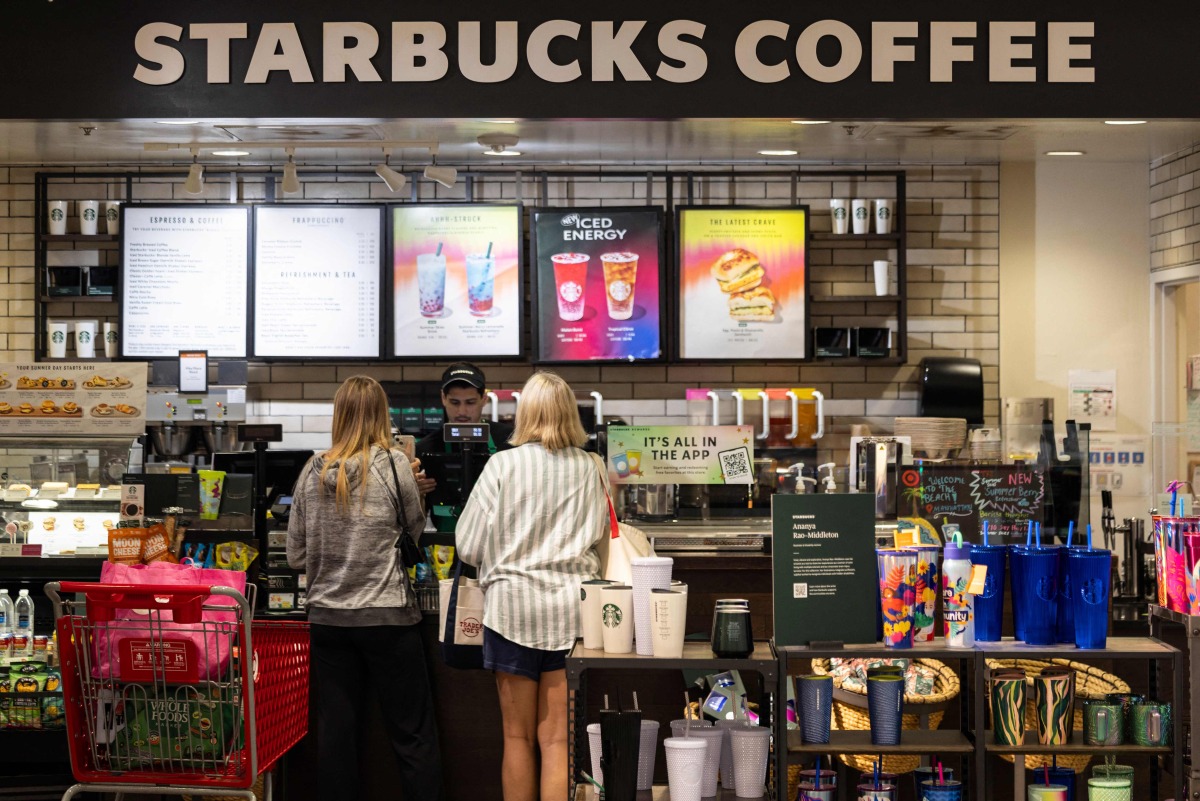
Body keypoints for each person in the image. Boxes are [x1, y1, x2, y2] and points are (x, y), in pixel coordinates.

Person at [287, 375, 441, 801]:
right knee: (412, 735)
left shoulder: (311, 472)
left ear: (338, 415)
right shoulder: (394, 465)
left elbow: (295, 556)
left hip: (328, 621)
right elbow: (412, 532)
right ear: (382, 415)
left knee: (336, 735)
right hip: (387, 617)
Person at [456, 372, 608, 801]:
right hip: (572, 613)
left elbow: (468, 545)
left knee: (517, 739)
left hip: (511, 612)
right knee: (558, 742)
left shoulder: (501, 465)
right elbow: (601, 535)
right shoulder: (591, 466)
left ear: (525, 414)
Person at [415, 362, 514, 495]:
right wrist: (414, 491)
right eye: (455, 402)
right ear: (443, 398)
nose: (462, 411)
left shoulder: (509, 440)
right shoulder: (425, 448)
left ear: (484, 399)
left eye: (470, 402)